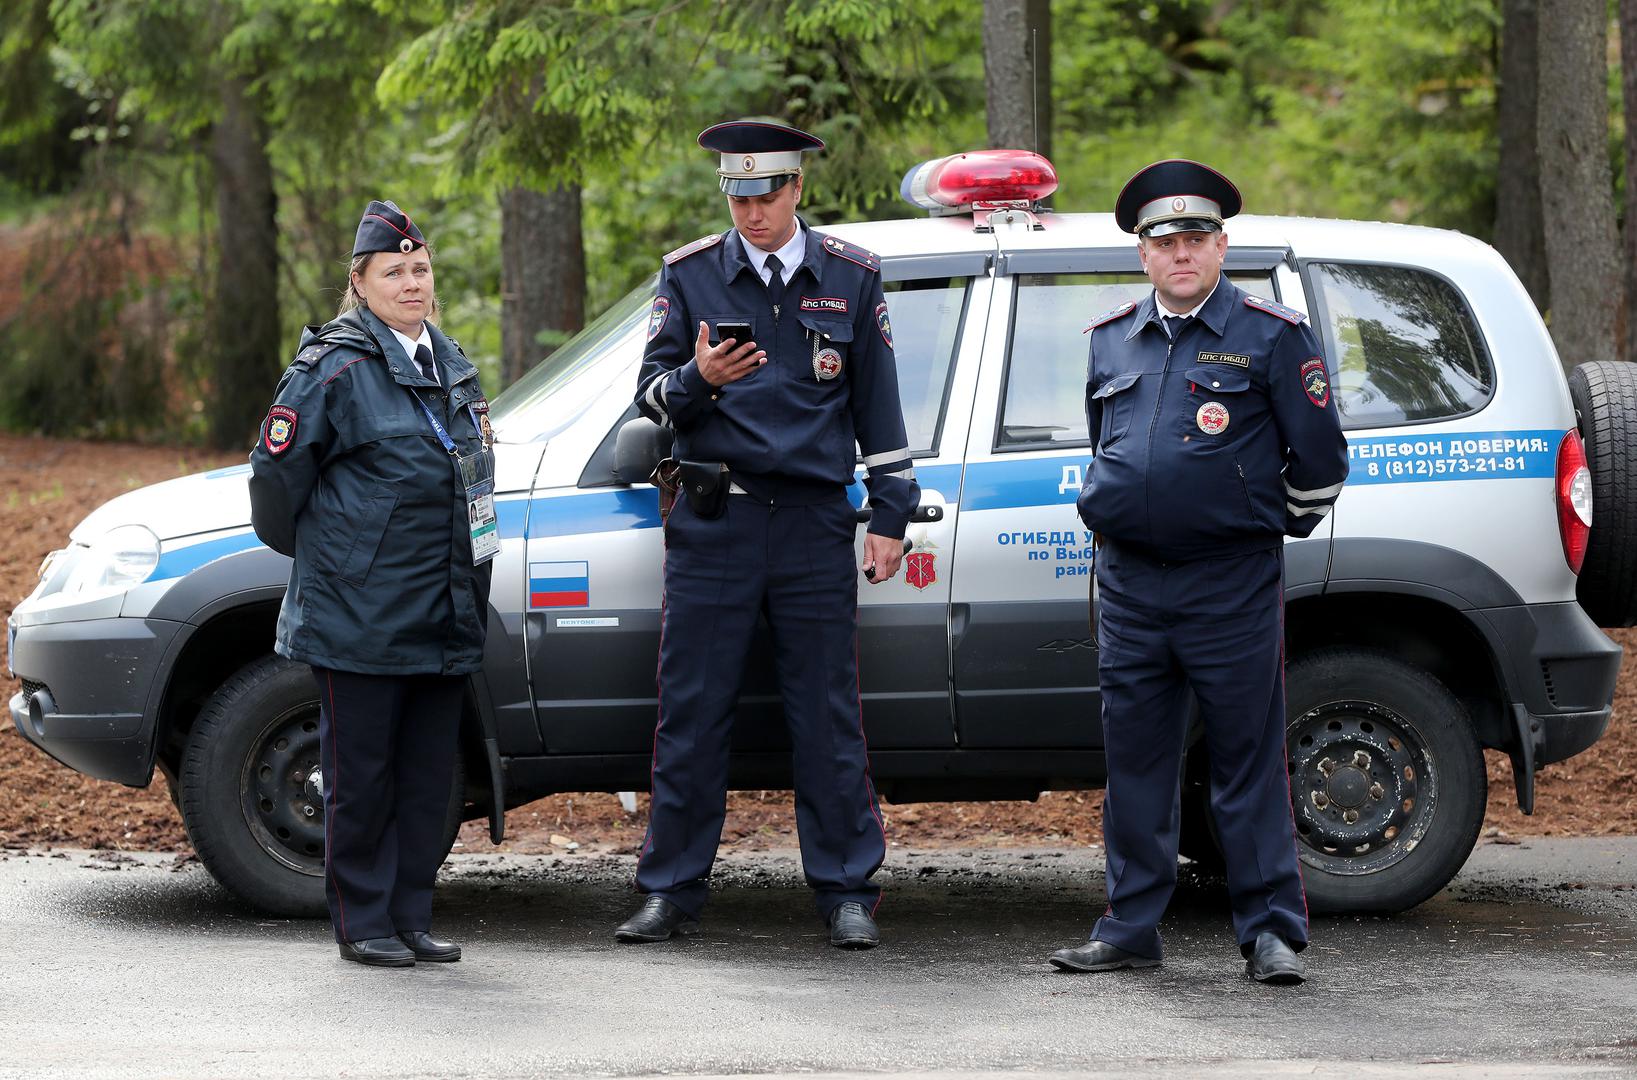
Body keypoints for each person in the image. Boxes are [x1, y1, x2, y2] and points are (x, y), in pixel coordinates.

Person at [619, 119, 919, 950]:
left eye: (764, 194)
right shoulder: (689, 276)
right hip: (717, 521)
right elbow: (646, 400)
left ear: (795, 190)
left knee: (826, 715)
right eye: (736, 195)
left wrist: (891, 512)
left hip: (815, 523)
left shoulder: (851, 278)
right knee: (691, 712)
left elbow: (878, 406)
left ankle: (847, 889)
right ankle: (670, 891)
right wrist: (696, 380)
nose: (750, 212)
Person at [1049, 160, 1348, 984]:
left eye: (1196, 238)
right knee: (1136, 762)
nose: (1181, 254)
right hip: (1132, 585)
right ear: (1142, 255)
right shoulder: (1110, 338)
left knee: (1243, 760)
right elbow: (1107, 448)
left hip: (1229, 583)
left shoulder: (1270, 335)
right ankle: (1128, 926)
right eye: (1165, 242)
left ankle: (1270, 933)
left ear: (1221, 246)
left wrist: (1257, 525)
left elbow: (1320, 463)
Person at [248, 200, 495, 968]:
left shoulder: (449, 361)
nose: (412, 283)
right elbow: (275, 487)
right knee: (363, 777)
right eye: (395, 272)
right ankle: (363, 923)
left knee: (428, 780)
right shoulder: (334, 368)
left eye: (420, 269)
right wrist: (340, 559)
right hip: (360, 614)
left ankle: (410, 915)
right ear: (360, 282)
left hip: (444, 605)